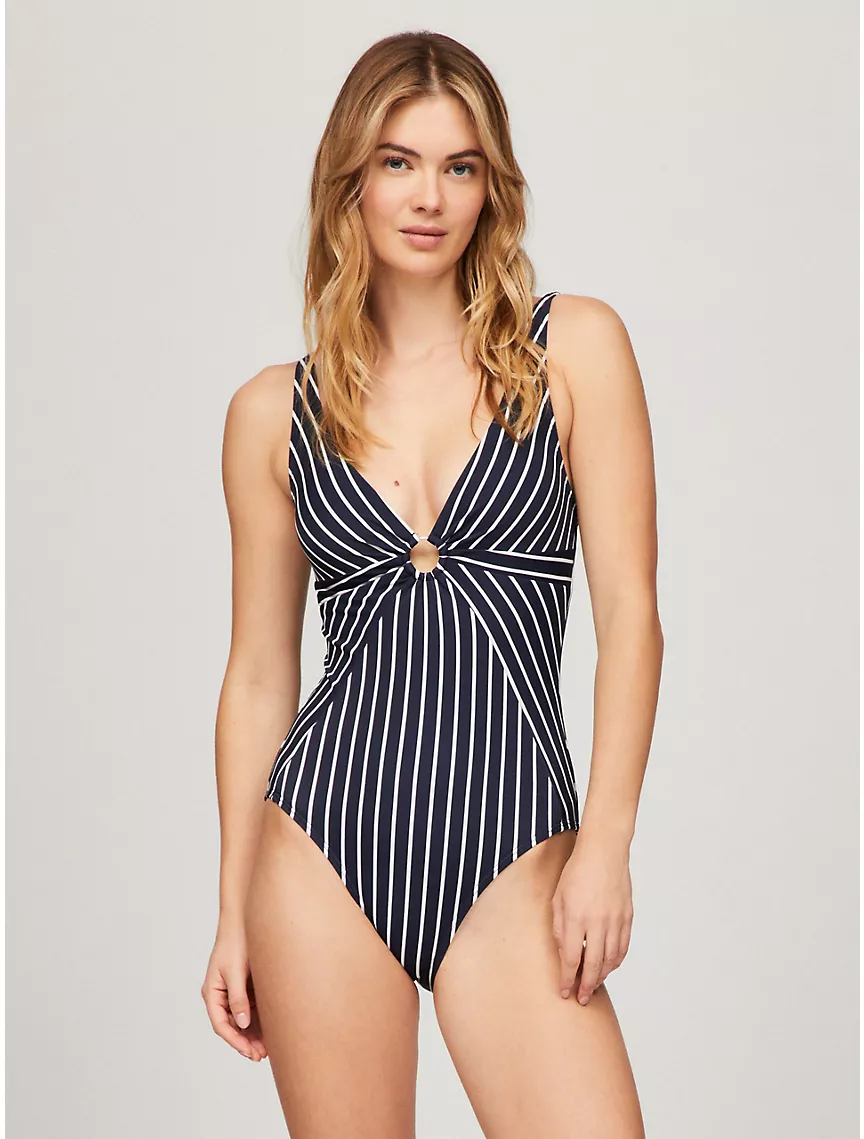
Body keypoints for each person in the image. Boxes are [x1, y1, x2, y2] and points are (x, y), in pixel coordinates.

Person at [201, 29, 661, 1138]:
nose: (429, 196)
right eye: (398, 162)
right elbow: (259, 674)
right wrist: (232, 908)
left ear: (491, 187)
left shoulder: (572, 352)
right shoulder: (272, 414)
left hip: (515, 843)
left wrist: (606, 845)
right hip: (320, 843)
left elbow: (631, 617)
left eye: (460, 166)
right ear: (350, 181)